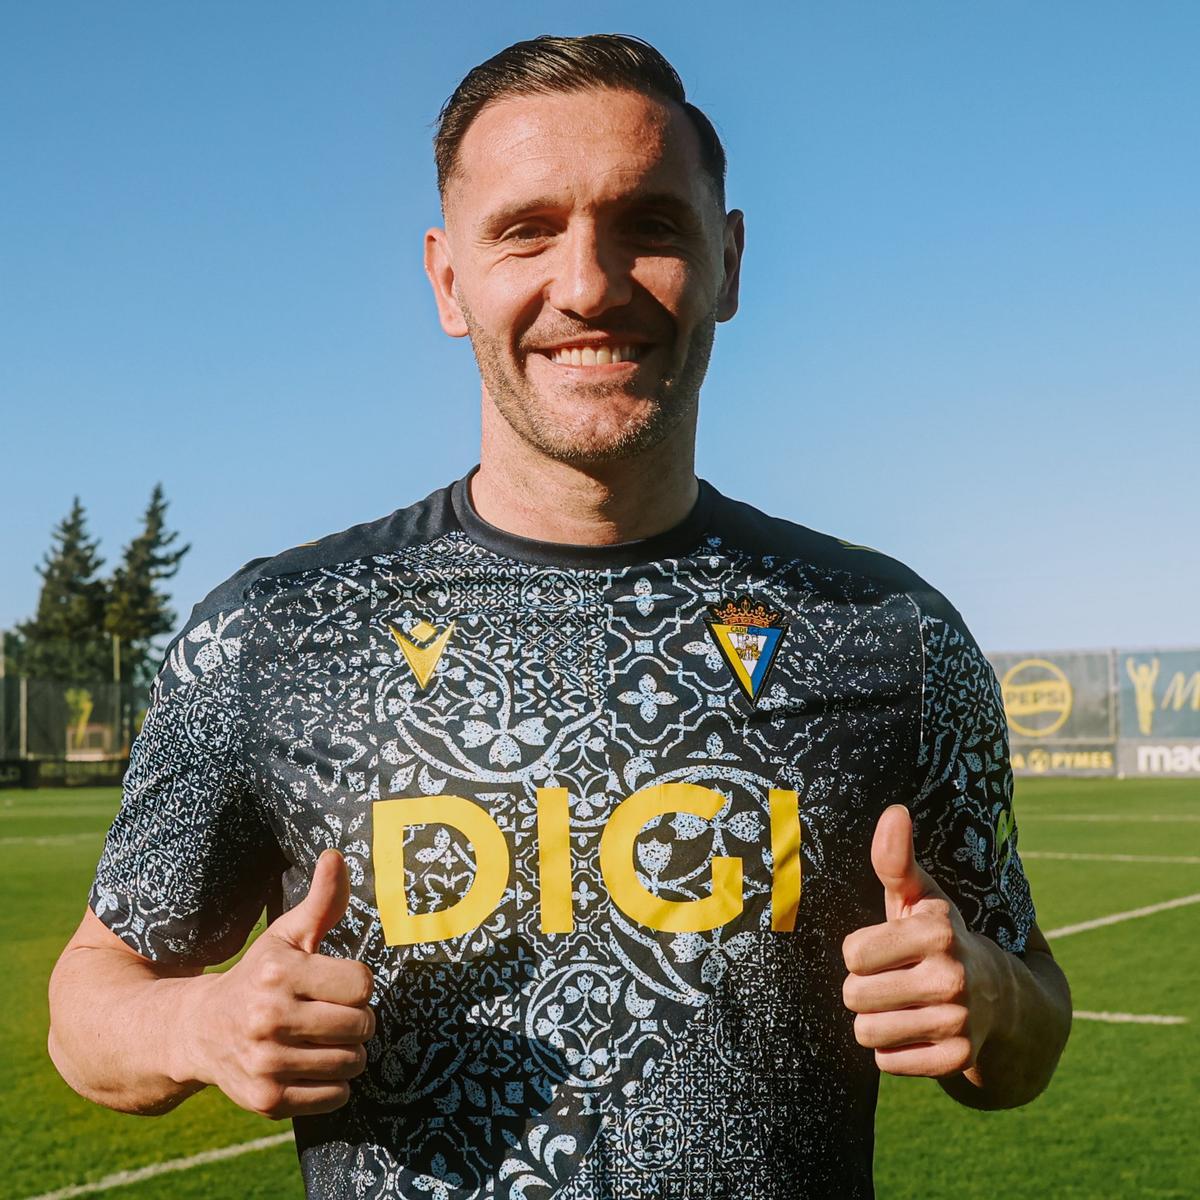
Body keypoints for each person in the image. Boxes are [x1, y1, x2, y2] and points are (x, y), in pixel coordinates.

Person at [47, 33, 1071, 1200]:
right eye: (526, 229)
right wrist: (197, 1028)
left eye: (651, 225)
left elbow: (1031, 1020)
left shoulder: (895, 633)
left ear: (728, 264)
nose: (589, 283)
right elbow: (90, 1001)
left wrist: (989, 998)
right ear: (447, 280)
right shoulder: (272, 634)